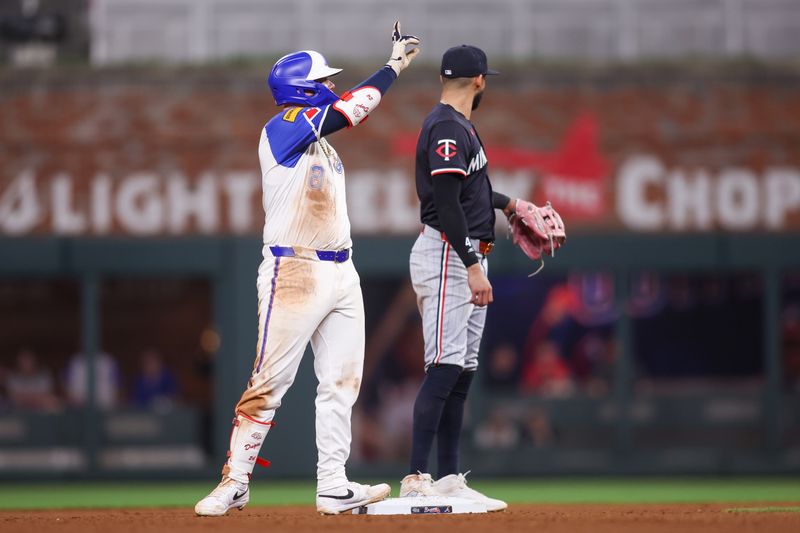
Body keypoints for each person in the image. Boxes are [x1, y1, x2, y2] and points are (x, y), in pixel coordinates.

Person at [194, 22, 420, 517]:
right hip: (293, 270)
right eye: (324, 80)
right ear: (303, 89)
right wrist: (393, 67)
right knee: (269, 382)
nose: (332, 85)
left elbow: (340, 114)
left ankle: (333, 485)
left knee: (341, 382)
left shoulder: (321, 145)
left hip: (342, 271)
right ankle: (235, 481)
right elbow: (348, 110)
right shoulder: (283, 127)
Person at [399, 44, 513, 512]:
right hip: (449, 257)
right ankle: (415, 476)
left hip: (464, 256)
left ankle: (447, 476)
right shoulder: (448, 126)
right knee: (444, 367)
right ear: (480, 81)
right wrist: (470, 265)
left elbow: (470, 192)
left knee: (461, 372)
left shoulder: (459, 124)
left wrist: (510, 205)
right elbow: (447, 206)